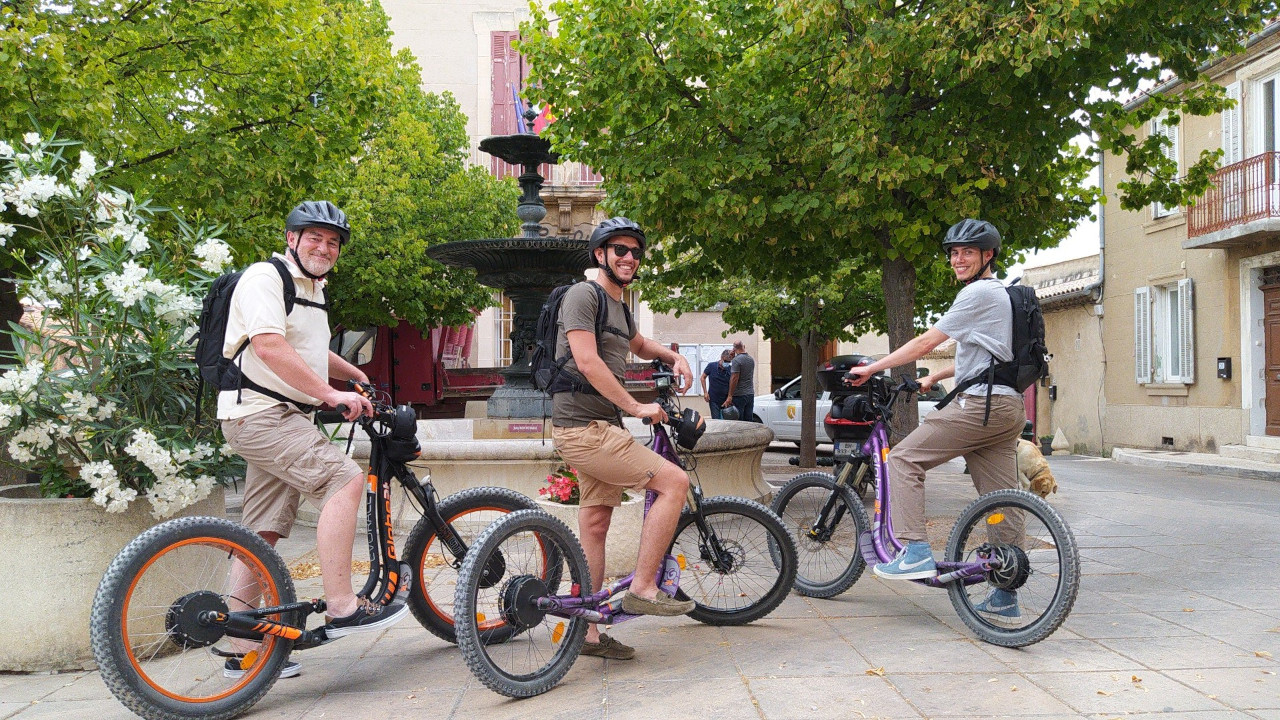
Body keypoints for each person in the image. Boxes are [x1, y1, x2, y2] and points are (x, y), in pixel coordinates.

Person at [219, 201, 408, 678]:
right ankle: (343, 603)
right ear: (291, 238)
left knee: (261, 531)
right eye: (314, 238)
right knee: (345, 479)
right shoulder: (266, 278)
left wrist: (352, 374)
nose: (324, 248)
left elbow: (306, 349)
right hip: (263, 415)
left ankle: (240, 648)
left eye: (332, 242)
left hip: (272, 416)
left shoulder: (312, 288)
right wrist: (328, 393)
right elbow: (268, 346)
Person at [843, 218, 1027, 618]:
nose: (958, 259)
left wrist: (874, 368)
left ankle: (915, 551)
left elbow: (927, 341)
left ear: (988, 255)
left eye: (968, 252)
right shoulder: (1004, 294)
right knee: (1000, 499)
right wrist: (938, 376)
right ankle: (1006, 591)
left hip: (980, 408)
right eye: (954, 253)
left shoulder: (976, 293)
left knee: (905, 460)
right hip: (1008, 407)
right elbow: (989, 355)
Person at [551, 216, 696, 660]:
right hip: (584, 428)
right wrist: (637, 407)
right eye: (620, 250)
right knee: (674, 483)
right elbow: (588, 362)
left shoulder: (618, 305)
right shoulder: (583, 295)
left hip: (601, 427)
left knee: (596, 526)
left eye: (636, 251)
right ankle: (644, 586)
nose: (629, 257)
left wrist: (674, 355)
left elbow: (638, 345)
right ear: (600, 255)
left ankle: (589, 636)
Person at [722, 340, 756, 422]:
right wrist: (734, 358)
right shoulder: (751, 359)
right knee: (748, 420)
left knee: (739, 420)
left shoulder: (736, 360)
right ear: (743, 346)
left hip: (739, 395)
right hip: (750, 394)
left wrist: (730, 396)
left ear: (734, 349)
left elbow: (734, 378)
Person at [700, 349, 733, 419]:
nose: (727, 363)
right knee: (716, 419)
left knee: (726, 421)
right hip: (713, 399)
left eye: (729, 362)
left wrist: (729, 397)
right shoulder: (711, 366)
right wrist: (705, 392)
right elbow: (702, 378)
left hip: (725, 399)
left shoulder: (730, 369)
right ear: (721, 357)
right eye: (726, 361)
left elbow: (732, 384)